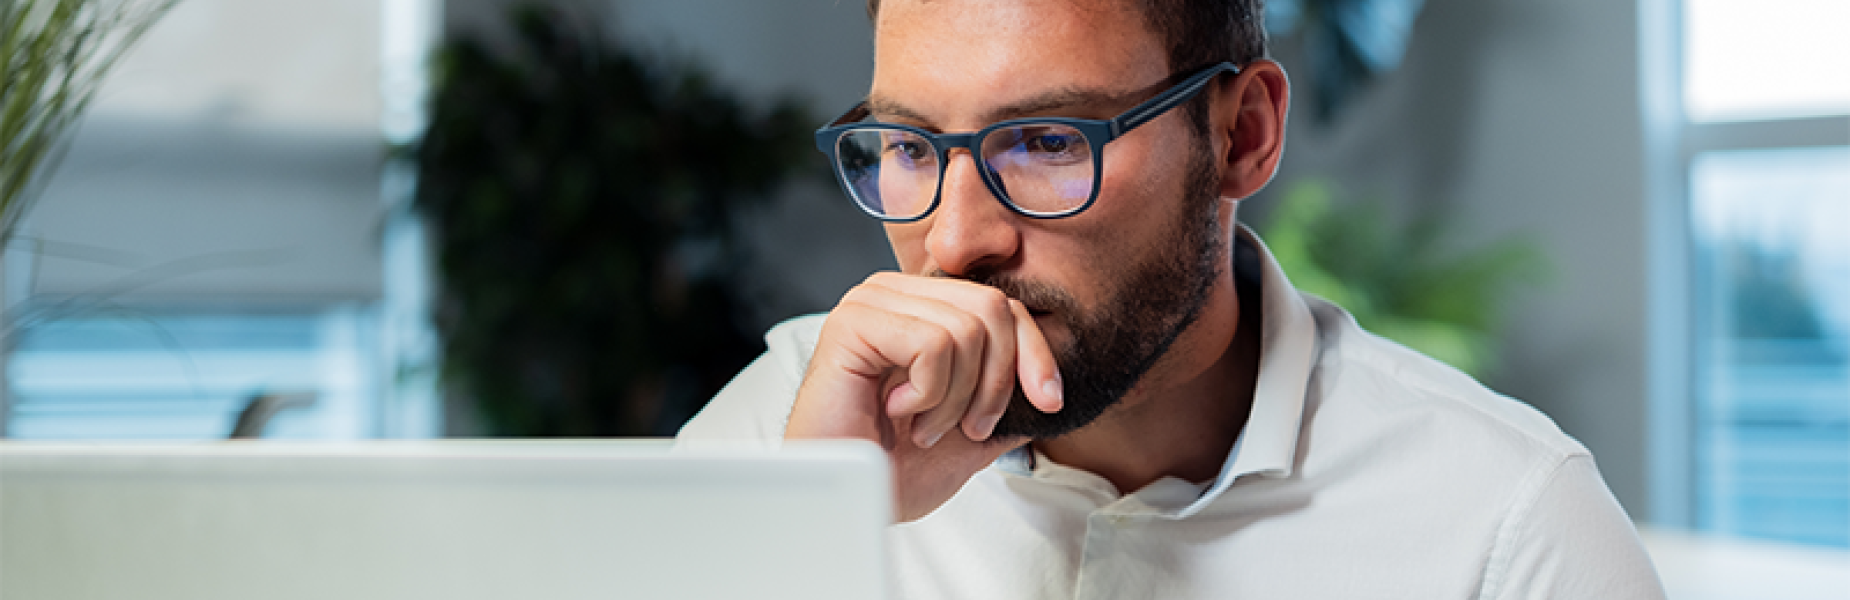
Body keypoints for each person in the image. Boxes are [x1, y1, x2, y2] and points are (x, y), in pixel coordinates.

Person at [678, 0, 1667, 597]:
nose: (952, 239)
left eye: (1047, 140)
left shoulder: (1505, 529)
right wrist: (811, 535)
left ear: (1241, 137)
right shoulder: (791, 429)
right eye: (908, 148)